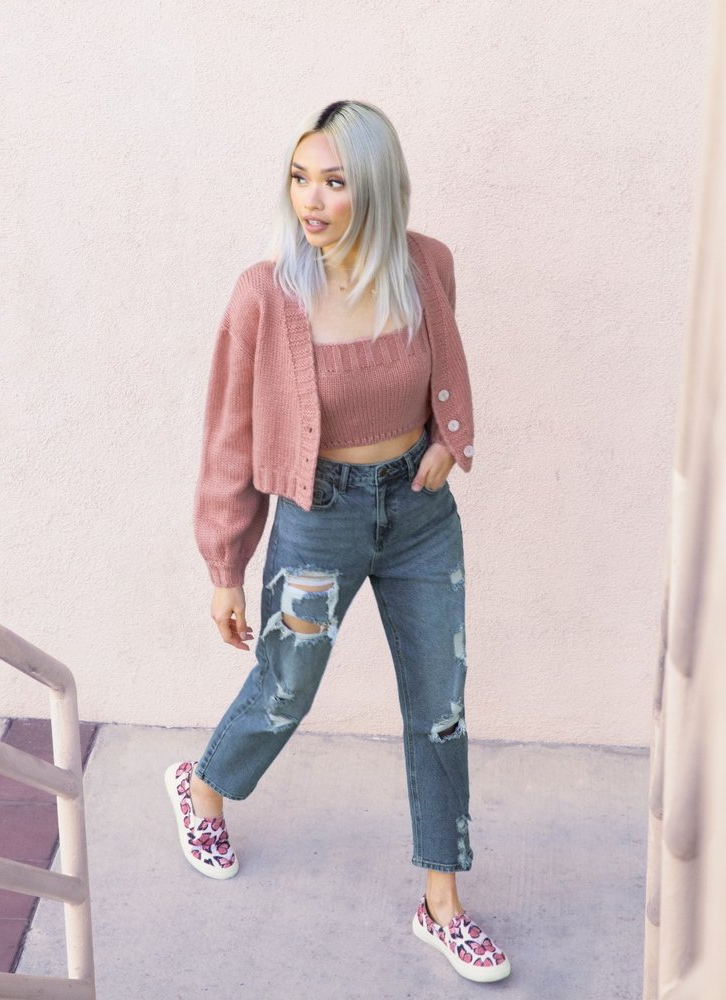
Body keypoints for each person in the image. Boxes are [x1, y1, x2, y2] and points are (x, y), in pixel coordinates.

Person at [167, 100, 510, 984]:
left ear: (379, 189)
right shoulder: (266, 294)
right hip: (320, 516)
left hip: (420, 517)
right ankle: (203, 787)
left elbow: (444, 363)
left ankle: (442, 904)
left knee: (440, 706)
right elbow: (231, 434)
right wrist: (225, 564)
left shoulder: (426, 266)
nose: (310, 200)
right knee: (287, 687)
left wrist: (449, 439)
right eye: (299, 178)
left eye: (333, 181)